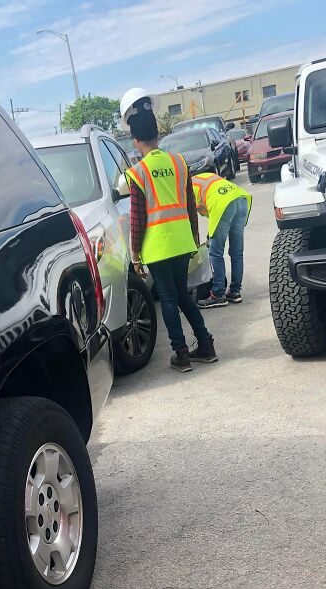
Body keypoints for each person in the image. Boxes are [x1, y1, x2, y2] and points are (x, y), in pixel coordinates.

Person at [120, 87, 217, 374]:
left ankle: (181, 353)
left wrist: (135, 254)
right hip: (182, 241)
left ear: (135, 141)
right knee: (183, 296)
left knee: (170, 301)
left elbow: (137, 218)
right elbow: (190, 205)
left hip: (158, 247)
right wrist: (195, 239)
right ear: (158, 136)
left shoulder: (137, 172)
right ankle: (206, 344)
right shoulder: (179, 162)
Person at [192, 171, 252, 308]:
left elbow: (192, 218)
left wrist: (195, 242)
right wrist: (210, 236)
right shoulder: (202, 178)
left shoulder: (187, 188)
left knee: (215, 253)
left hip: (223, 205)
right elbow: (212, 211)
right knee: (237, 252)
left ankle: (218, 294)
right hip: (240, 199)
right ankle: (235, 291)